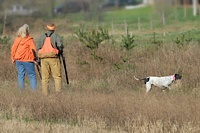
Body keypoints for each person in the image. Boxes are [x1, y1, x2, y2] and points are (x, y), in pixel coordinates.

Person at [37, 22, 64, 96]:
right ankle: (58, 94)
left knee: (45, 78)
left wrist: (38, 60)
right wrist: (60, 52)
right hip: (54, 58)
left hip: (43, 59)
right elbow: (60, 46)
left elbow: (38, 48)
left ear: (47, 28)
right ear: (54, 28)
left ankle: (45, 94)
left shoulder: (42, 37)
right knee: (57, 77)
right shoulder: (56, 36)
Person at [11, 24, 37, 90]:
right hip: (28, 60)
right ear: (28, 31)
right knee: (32, 76)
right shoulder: (30, 40)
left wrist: (13, 58)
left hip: (18, 60)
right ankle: (34, 93)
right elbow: (33, 50)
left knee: (20, 76)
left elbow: (13, 49)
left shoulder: (17, 39)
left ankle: (21, 92)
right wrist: (34, 59)